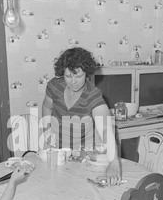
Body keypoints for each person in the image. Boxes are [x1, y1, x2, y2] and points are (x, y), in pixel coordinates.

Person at [42, 47, 122, 186]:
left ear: (87, 74)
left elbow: (105, 129)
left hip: (82, 154)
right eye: (68, 76)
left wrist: (114, 164)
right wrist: (47, 129)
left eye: (78, 76)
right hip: (57, 150)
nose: (73, 81)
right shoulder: (54, 86)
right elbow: (47, 107)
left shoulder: (92, 95)